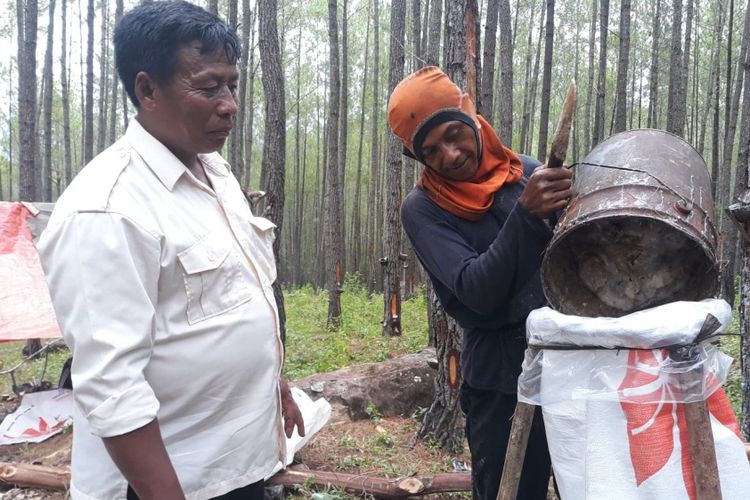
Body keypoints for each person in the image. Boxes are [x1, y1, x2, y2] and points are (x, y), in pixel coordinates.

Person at [37, 2, 304, 499]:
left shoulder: (213, 172)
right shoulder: (108, 209)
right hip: (170, 482)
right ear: (147, 89)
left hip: (238, 461)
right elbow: (112, 387)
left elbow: (231, 297)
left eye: (232, 84)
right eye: (208, 87)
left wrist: (274, 381)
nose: (229, 104)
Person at [387, 66, 573, 499]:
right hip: (499, 380)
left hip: (568, 367)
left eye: (454, 134)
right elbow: (477, 290)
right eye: (432, 151)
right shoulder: (423, 209)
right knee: (507, 492)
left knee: (582, 484)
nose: (450, 155)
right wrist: (526, 217)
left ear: (472, 118)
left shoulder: (527, 173)